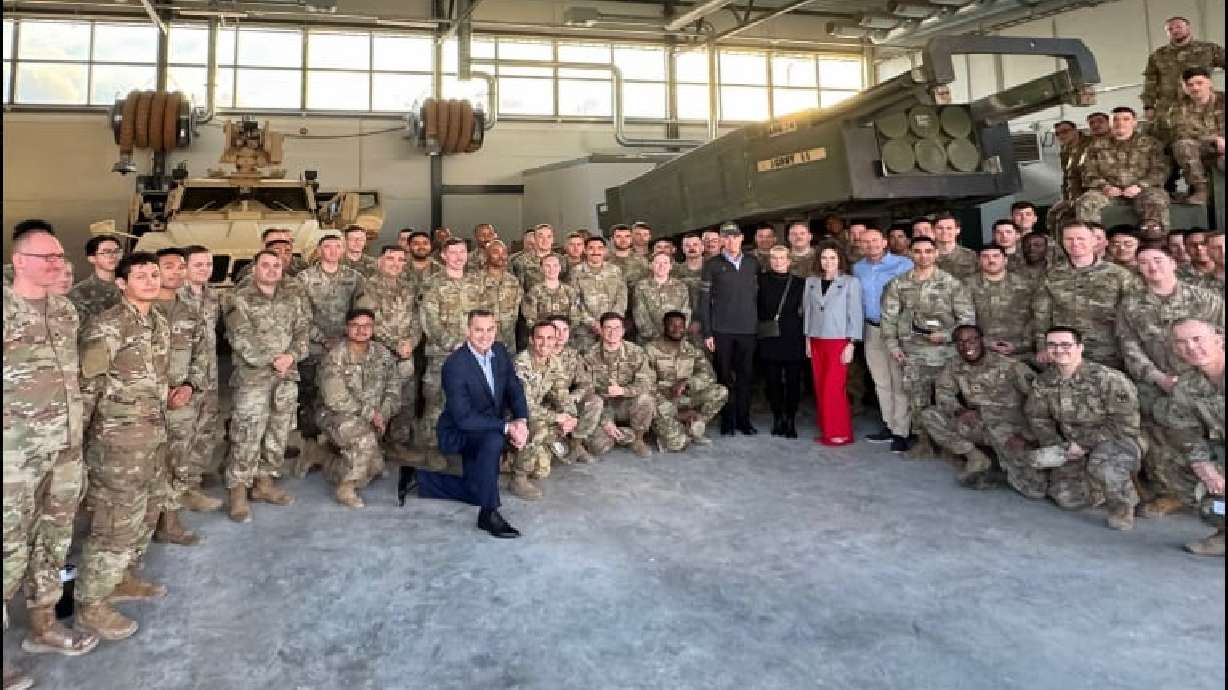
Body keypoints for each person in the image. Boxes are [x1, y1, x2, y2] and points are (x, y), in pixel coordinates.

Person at [4, 222, 99, 688]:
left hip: (65, 448)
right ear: (20, 261)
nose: (58, 265)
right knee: (6, 548)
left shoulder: (64, 311)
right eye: (48, 258)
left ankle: (43, 624)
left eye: (60, 257)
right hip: (12, 456)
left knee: (54, 538)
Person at [74, 252, 170, 642]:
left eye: (154, 273)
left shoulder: (158, 323)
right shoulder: (106, 328)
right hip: (116, 444)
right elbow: (87, 390)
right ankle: (90, 605)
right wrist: (77, 449)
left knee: (146, 512)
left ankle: (122, 578)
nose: (149, 280)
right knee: (113, 524)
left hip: (153, 438)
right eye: (140, 275)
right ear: (121, 283)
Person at [1116, 245, 1223, 516]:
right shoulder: (1131, 305)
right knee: (1161, 437)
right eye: (1144, 262)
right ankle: (1173, 493)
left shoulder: (1205, 299)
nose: (1152, 267)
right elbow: (1129, 347)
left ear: (1173, 262)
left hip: (1207, 381)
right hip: (1157, 382)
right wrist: (1159, 378)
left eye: (1158, 260)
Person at [416, 310, 529, 539]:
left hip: (487, 425)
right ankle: (488, 514)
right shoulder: (455, 365)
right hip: (460, 431)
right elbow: (464, 418)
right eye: (478, 330)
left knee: (476, 489)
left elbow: (514, 387)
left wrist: (521, 420)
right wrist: (507, 428)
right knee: (494, 439)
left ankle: (418, 479)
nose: (485, 335)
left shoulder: (499, 351)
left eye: (490, 329)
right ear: (468, 331)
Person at [1026, 326, 1143, 529]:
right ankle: (1097, 487)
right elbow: (1038, 417)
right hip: (1071, 444)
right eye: (1052, 345)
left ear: (1080, 347)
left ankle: (1122, 505)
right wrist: (1057, 446)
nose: (1059, 350)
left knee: (1104, 467)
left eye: (1066, 345)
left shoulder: (1108, 379)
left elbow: (1126, 425)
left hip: (1116, 441)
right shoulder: (1044, 382)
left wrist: (1083, 444)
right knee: (1067, 498)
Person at [224, 250, 309, 523]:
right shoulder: (237, 299)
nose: (272, 269)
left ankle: (264, 483)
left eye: (276, 265)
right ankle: (238, 492)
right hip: (253, 379)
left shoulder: (292, 299)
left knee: (278, 432)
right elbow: (241, 339)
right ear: (254, 269)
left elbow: (302, 333)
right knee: (247, 434)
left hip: (285, 378)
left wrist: (291, 356)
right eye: (266, 265)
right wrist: (273, 360)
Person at [881, 236, 975, 454]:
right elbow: (889, 318)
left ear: (936, 253)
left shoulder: (952, 284)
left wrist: (946, 335)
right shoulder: (899, 283)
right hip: (913, 354)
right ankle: (924, 443)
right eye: (918, 251)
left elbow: (967, 320)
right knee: (917, 400)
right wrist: (893, 347)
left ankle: (954, 448)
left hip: (947, 354)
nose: (923, 256)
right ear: (911, 254)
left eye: (928, 251)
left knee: (948, 401)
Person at [919, 325, 1038, 490]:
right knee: (930, 415)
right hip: (977, 423)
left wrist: (1026, 434)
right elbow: (943, 392)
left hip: (1008, 430)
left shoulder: (1011, 366)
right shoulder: (955, 366)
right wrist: (960, 410)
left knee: (1033, 490)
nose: (967, 346)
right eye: (961, 342)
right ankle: (976, 457)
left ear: (982, 341)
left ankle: (1010, 465)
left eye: (972, 340)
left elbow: (1038, 400)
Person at [151, 248, 210, 547]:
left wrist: (189, 386)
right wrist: (159, 393)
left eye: (179, 267)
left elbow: (202, 355)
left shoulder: (189, 312)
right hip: (146, 405)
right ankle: (139, 531)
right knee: (145, 468)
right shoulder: (142, 311)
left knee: (176, 464)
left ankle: (170, 524)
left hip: (180, 402)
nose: (175, 272)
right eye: (168, 266)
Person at [1154, 318, 1226, 556]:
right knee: (1172, 462)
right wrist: (1204, 466)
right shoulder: (1187, 386)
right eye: (1182, 342)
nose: (1192, 348)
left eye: (1197, 339)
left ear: (1218, 339)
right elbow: (1187, 433)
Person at [316, 309, 401, 508]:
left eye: (367, 326)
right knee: (366, 442)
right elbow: (334, 398)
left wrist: (383, 414)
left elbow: (394, 390)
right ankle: (346, 487)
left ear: (373, 329)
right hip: (334, 415)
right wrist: (372, 415)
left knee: (375, 466)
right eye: (356, 325)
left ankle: (320, 456)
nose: (361, 330)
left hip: (371, 417)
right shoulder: (335, 356)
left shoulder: (382, 354)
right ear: (347, 328)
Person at [1032, 222, 1137, 370]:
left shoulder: (1120, 275)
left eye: (1081, 238)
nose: (1075, 243)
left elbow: (1131, 317)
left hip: (1108, 353)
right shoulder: (1051, 275)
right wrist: (1043, 346)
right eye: (1069, 239)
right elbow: (1041, 315)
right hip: (1065, 352)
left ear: (1094, 241)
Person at [418, 238, 484, 470]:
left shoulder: (476, 284)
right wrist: (453, 343)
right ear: (443, 256)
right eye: (453, 252)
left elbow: (484, 317)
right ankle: (432, 448)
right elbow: (429, 320)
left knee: (468, 402)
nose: (458, 256)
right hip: (442, 355)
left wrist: (480, 344)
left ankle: (463, 446)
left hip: (473, 355)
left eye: (462, 252)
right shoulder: (433, 284)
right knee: (436, 402)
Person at [296, 233, 366, 441]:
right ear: (319, 251)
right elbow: (300, 316)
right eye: (328, 247)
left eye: (338, 246)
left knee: (344, 393)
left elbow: (360, 312)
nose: (333, 251)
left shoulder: (355, 278)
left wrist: (347, 337)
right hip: (314, 348)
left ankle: (338, 441)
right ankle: (310, 446)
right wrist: (324, 339)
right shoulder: (304, 279)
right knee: (310, 396)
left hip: (346, 346)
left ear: (343, 250)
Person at [698, 222, 761, 436]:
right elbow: (704, 301)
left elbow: (758, 296)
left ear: (742, 238)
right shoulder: (712, 264)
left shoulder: (753, 263)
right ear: (722, 240)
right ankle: (728, 420)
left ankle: (744, 420)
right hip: (722, 330)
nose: (731, 240)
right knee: (724, 377)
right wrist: (707, 332)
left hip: (748, 329)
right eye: (727, 237)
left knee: (746, 377)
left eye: (735, 236)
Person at [853, 226, 914, 446]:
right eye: (865, 242)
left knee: (899, 382)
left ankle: (902, 431)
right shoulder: (858, 268)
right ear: (860, 245)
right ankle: (889, 425)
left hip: (896, 330)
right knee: (881, 381)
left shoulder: (904, 265)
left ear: (885, 242)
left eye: (875, 241)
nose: (871, 245)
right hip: (871, 329)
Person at [358, 245, 420, 454]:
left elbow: (417, 320)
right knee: (377, 400)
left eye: (400, 260)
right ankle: (372, 447)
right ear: (380, 261)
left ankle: (398, 442)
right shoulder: (368, 287)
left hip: (405, 354)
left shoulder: (409, 287)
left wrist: (410, 342)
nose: (395, 264)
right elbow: (368, 322)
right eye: (390, 259)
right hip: (378, 353)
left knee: (405, 399)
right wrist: (396, 344)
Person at [802, 241, 862, 446]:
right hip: (817, 340)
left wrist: (852, 343)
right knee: (820, 387)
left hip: (838, 341)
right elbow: (808, 312)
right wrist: (808, 340)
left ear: (840, 260)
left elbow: (855, 314)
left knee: (833, 388)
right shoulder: (811, 281)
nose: (828, 262)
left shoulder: (850, 282)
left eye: (832, 258)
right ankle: (827, 430)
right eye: (824, 257)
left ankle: (840, 432)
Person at [1076, 106, 1171, 230]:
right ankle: (1090, 239)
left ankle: (1154, 239)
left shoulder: (1151, 144)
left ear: (1134, 122)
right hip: (1107, 192)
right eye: (1115, 119)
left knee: (1155, 199)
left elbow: (1161, 170)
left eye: (1126, 119)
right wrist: (1105, 187)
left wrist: (1140, 186)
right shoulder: (1095, 146)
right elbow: (1088, 172)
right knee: (1085, 202)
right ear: (1110, 123)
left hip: (1143, 190)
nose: (1120, 123)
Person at [510, 322, 576, 499]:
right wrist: (557, 417)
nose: (545, 343)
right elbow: (524, 407)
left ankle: (508, 460)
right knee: (539, 427)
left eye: (550, 338)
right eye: (540, 338)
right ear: (531, 339)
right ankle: (518, 478)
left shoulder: (553, 361)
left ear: (556, 340)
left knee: (541, 471)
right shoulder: (521, 363)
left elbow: (561, 392)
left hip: (535, 412)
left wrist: (570, 416)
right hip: (512, 417)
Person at [644, 312, 728, 448]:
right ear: (663, 326)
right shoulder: (651, 349)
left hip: (686, 397)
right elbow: (646, 383)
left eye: (681, 325)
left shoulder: (691, 349)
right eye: (672, 325)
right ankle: (677, 426)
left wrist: (688, 383)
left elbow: (708, 374)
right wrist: (676, 412)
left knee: (720, 391)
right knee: (678, 444)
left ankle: (692, 426)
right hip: (663, 401)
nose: (677, 329)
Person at [586, 312, 657, 457]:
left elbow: (645, 382)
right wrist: (605, 421)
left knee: (646, 399)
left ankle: (637, 438)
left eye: (617, 328)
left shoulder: (636, 352)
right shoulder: (589, 355)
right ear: (600, 329)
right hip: (604, 407)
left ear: (623, 331)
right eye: (608, 328)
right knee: (597, 447)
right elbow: (587, 390)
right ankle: (623, 435)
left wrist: (623, 391)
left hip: (628, 404)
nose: (612, 332)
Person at [757, 246, 806, 438]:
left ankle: (791, 419)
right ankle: (778, 417)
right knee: (773, 381)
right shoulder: (761, 281)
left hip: (794, 337)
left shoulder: (800, 283)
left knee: (793, 382)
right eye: (774, 258)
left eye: (782, 258)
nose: (778, 261)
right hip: (770, 337)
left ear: (789, 260)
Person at [1156, 67, 1224, 205]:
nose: (1195, 88)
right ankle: (1201, 190)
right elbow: (1181, 131)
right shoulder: (1179, 107)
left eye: (1199, 83)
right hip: (1201, 150)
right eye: (1190, 85)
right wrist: (1215, 139)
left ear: (1209, 83)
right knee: (1182, 145)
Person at [1141, 16, 1225, 122]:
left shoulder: (1208, 49)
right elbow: (1150, 83)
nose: (1175, 31)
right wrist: (1148, 106)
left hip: (1202, 104)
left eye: (1179, 27)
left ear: (1188, 28)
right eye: (1170, 29)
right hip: (1170, 107)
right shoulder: (1158, 55)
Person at [546, 315, 602, 464]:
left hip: (567, 402)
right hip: (545, 406)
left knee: (594, 401)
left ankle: (576, 444)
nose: (561, 334)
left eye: (565, 330)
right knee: (546, 460)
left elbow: (585, 383)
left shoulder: (572, 355)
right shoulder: (538, 353)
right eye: (556, 330)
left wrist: (575, 396)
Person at [968, 244, 1034, 358]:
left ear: (1005, 260)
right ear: (979, 260)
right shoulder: (966, 285)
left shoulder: (1025, 285)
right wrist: (985, 343)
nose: (991, 260)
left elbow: (1036, 317)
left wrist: (1020, 345)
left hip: (1021, 351)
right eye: (985, 256)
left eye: (996, 256)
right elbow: (964, 320)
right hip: (981, 351)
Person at [568, 236, 627, 351]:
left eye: (600, 248)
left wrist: (611, 323)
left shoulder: (615, 270)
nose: (596, 252)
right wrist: (593, 323)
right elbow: (574, 301)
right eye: (591, 248)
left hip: (612, 330)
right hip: (585, 331)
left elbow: (622, 298)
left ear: (605, 251)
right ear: (585, 250)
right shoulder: (576, 271)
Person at [67, 234, 123, 330]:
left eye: (117, 251)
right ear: (92, 258)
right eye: (106, 252)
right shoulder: (79, 292)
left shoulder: (131, 286)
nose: (113, 256)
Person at [633, 252, 690, 343]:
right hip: (649, 340)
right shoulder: (641, 286)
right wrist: (656, 337)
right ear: (651, 265)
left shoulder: (681, 286)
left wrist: (676, 333)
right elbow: (640, 314)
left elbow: (686, 312)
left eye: (665, 263)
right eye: (657, 262)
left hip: (675, 339)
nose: (661, 266)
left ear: (671, 266)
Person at [477, 240, 522, 352]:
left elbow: (515, 312)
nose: (501, 256)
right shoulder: (475, 281)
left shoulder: (513, 281)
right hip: (482, 340)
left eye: (504, 252)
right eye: (496, 252)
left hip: (508, 342)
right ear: (487, 255)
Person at [1047, 119, 1090, 232]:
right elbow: (1067, 177)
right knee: (1053, 214)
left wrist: (1078, 198)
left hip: (1089, 191)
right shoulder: (1065, 151)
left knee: (1080, 217)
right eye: (1057, 133)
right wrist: (1066, 198)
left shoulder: (1091, 145)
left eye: (1065, 131)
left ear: (1075, 131)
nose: (1061, 135)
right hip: (1073, 194)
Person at [522, 253, 580, 327]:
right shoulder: (533, 292)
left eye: (555, 265)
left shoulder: (570, 291)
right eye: (547, 266)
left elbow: (575, 319)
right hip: (543, 335)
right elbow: (530, 320)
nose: (552, 269)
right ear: (541, 269)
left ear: (560, 268)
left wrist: (563, 333)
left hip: (565, 335)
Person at [510, 223, 562, 293]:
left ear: (553, 239)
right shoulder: (520, 262)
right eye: (541, 237)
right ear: (534, 239)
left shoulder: (562, 260)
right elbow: (518, 290)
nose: (545, 240)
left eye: (549, 236)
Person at [933, 212, 978, 282]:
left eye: (949, 228)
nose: (944, 231)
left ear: (958, 230)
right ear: (933, 230)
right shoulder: (925, 256)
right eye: (940, 228)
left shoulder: (971, 256)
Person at [608, 224, 651, 290]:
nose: (623, 240)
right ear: (612, 239)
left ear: (631, 239)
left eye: (627, 236)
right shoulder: (605, 261)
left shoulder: (643, 261)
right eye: (618, 236)